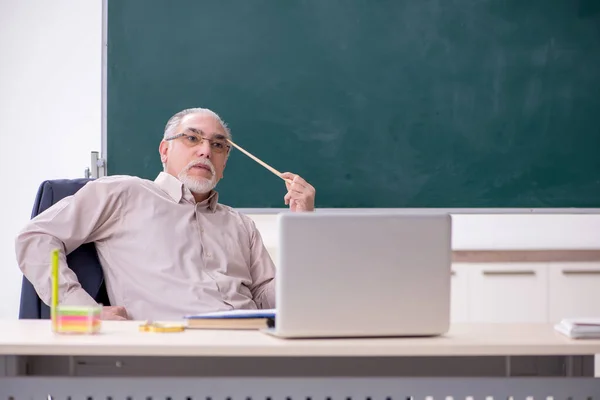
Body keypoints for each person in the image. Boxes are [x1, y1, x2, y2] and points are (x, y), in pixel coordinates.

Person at [15, 107, 316, 320]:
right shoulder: (124, 193)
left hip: (257, 351)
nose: (205, 151)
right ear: (164, 151)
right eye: (192, 138)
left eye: (219, 145)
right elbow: (36, 237)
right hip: (173, 356)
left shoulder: (241, 225)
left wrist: (304, 228)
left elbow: (271, 302)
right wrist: (79, 308)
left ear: (224, 163)